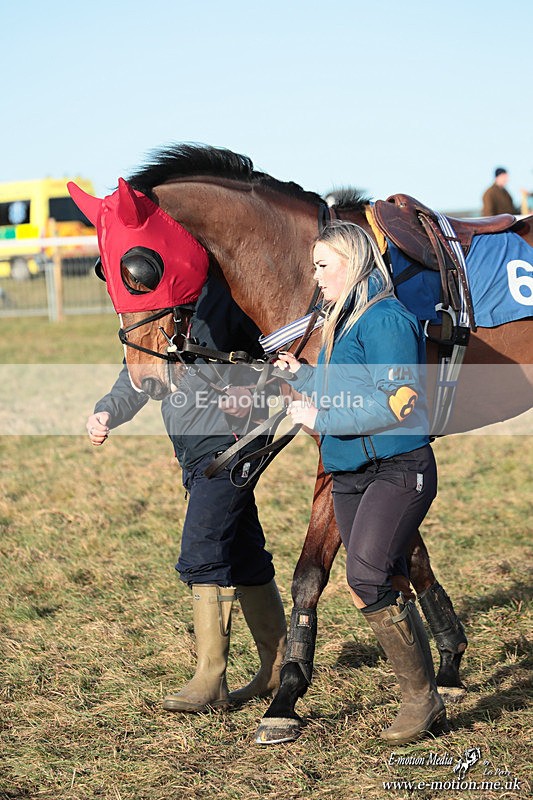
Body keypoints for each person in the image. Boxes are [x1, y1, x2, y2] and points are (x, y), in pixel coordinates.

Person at [275, 221, 446, 744]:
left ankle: (422, 701)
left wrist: (320, 416)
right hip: (349, 473)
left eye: (322, 265)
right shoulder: (342, 319)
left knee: (367, 576)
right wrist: (302, 376)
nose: (315, 276)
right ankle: (426, 693)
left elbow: (399, 402)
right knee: (369, 582)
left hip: (398, 468)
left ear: (352, 264)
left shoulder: (386, 318)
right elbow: (346, 387)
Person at [86, 273, 287, 713]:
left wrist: (251, 390)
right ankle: (277, 668)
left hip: (229, 449)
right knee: (244, 553)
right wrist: (107, 412)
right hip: (195, 455)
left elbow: (281, 354)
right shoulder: (160, 310)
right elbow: (137, 374)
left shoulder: (228, 296)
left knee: (202, 552)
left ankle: (210, 678)